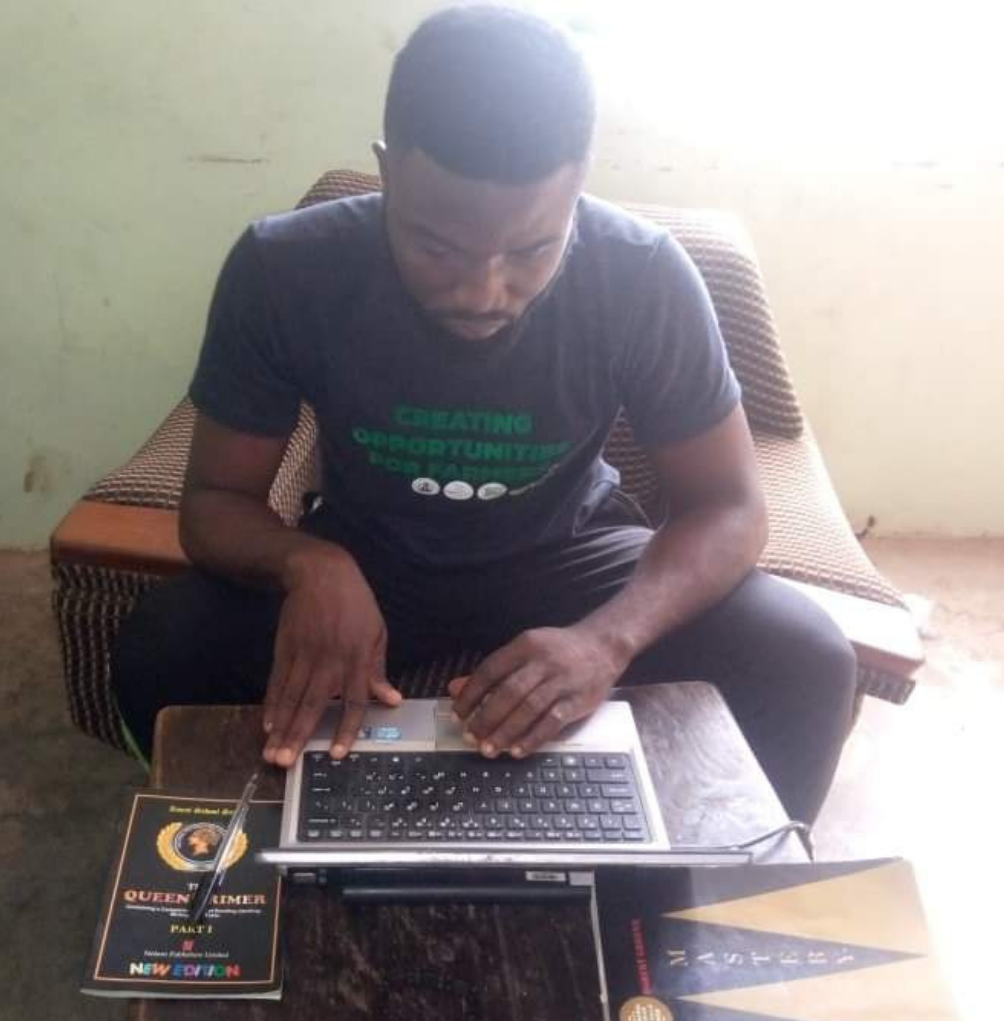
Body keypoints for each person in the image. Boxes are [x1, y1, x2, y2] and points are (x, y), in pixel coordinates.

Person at [112, 5, 856, 825]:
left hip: (569, 552)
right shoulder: (284, 270)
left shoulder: (643, 277)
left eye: (531, 250)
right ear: (388, 171)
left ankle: (713, 886)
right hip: (370, 550)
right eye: (436, 247)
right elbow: (215, 502)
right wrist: (309, 566)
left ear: (578, 181)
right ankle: (255, 870)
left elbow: (731, 505)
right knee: (166, 644)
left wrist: (607, 640)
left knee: (803, 660)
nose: (482, 292)